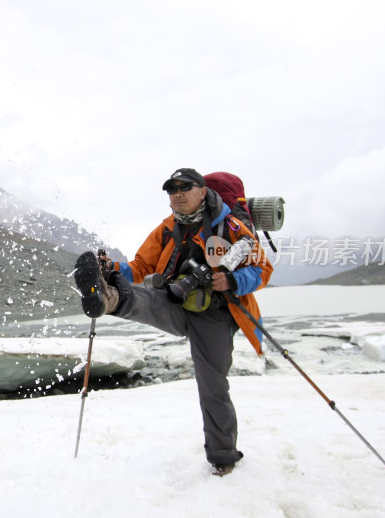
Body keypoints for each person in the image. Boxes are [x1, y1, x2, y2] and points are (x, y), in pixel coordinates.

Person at [73, 167, 273, 475]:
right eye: (171, 189)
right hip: (177, 301)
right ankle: (108, 297)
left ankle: (223, 458)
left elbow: (262, 269)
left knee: (213, 387)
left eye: (184, 187)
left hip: (216, 315)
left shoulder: (231, 227)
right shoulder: (167, 228)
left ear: (202, 191)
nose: (176, 194)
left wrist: (232, 282)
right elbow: (140, 266)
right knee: (146, 298)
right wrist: (111, 266)